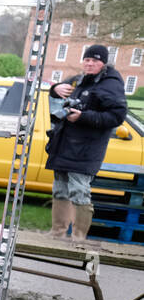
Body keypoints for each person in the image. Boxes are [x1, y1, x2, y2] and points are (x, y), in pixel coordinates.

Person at [46, 43, 128, 243]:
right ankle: (57, 234)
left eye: (95, 60)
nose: (90, 63)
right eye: (87, 60)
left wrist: (83, 117)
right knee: (59, 190)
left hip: (87, 150)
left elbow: (117, 116)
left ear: (103, 63)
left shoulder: (111, 84)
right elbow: (56, 94)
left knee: (79, 192)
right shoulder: (80, 80)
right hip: (65, 145)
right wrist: (55, 89)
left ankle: (78, 238)